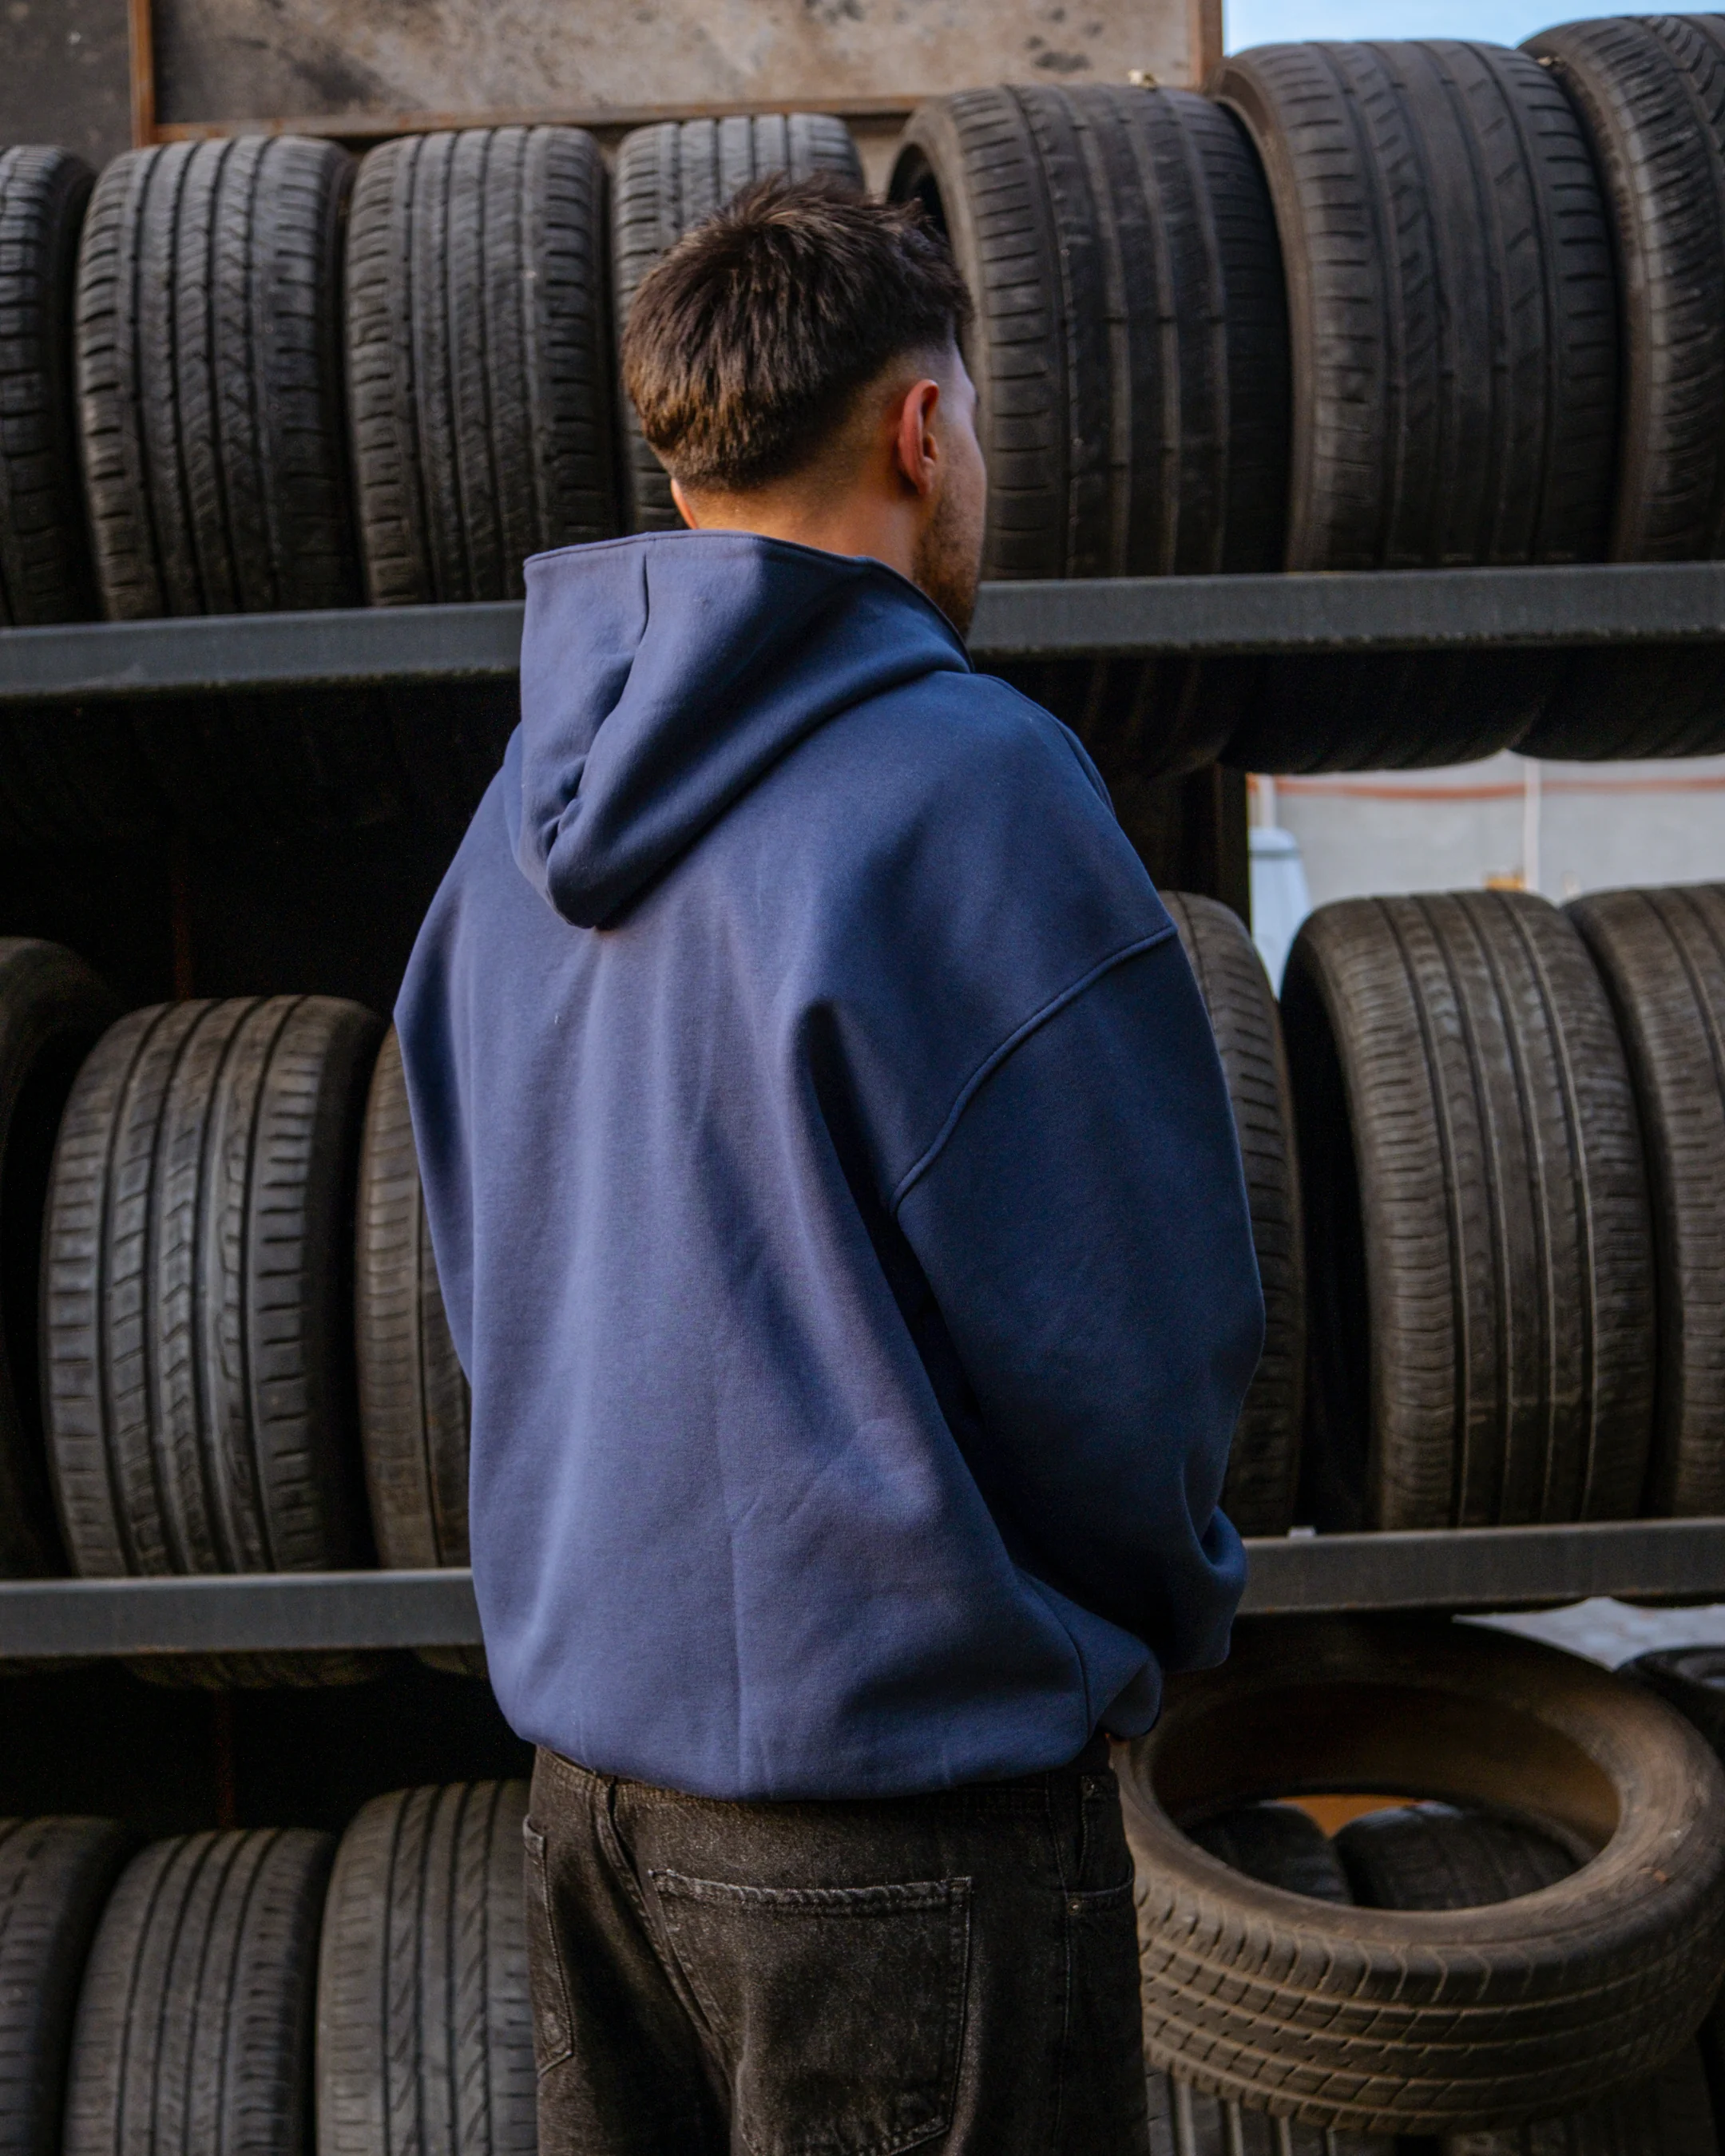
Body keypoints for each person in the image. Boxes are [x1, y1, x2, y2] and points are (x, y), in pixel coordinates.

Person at [396, 175, 1263, 2156]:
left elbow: (485, 1266)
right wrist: (1153, 1616)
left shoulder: (511, 826)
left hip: (594, 1811)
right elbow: (1128, 1338)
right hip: (903, 1820)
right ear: (922, 429)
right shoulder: (975, 782)